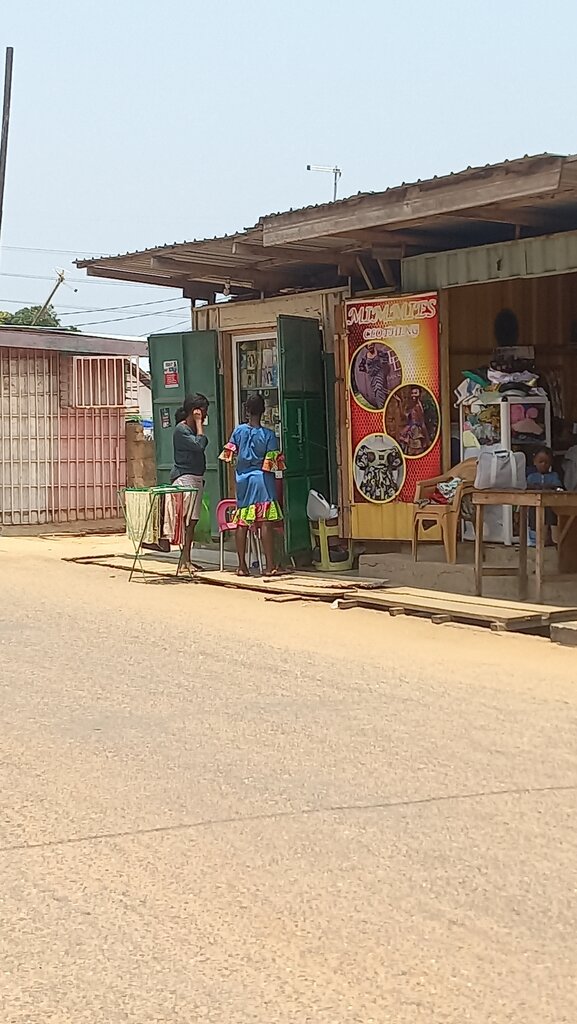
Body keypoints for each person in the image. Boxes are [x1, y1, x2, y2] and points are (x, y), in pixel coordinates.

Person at [219, 394, 284, 576]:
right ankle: (270, 566)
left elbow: (227, 456)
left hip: (242, 479)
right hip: (262, 480)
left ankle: (242, 566)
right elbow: (272, 463)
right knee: (265, 523)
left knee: (242, 522)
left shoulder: (238, 431)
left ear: (247, 410)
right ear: (263, 411)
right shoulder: (269, 435)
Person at [169, 393, 209, 568]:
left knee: (192, 522)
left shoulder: (189, 430)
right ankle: (184, 559)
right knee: (186, 521)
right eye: (203, 412)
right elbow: (199, 445)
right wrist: (200, 425)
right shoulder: (182, 430)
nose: (206, 416)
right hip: (185, 478)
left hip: (196, 478)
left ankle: (187, 560)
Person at [526, 445, 563, 546]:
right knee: (535, 516)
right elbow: (528, 490)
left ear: (550, 463)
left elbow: (558, 487)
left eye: (546, 462)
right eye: (540, 462)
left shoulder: (554, 476)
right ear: (534, 462)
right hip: (535, 507)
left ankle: (554, 540)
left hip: (550, 507)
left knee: (552, 513)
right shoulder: (531, 477)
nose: (543, 464)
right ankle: (537, 540)